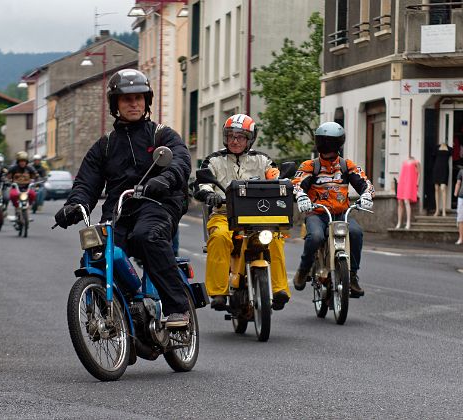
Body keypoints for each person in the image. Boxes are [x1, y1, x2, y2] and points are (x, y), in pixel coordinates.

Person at [54, 69, 191, 329]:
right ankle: (121, 307)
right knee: (98, 251)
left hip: (158, 203)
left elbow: (181, 161)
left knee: (146, 235)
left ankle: (177, 308)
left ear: (147, 101)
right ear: (115, 104)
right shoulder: (104, 146)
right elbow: (86, 183)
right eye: (126, 99)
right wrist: (75, 205)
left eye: (139, 98)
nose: (134, 103)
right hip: (120, 210)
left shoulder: (162, 135)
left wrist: (164, 180)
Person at [194, 113, 291, 311]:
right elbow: (203, 183)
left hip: (260, 217)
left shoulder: (262, 160)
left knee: (275, 238)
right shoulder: (213, 160)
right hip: (223, 215)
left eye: (240, 136)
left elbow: (276, 178)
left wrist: (287, 184)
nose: (234, 140)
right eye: (230, 136)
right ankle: (219, 292)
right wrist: (208, 194)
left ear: (250, 139)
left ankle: (279, 289)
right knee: (219, 237)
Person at [292, 121, 375, 298]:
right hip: (317, 214)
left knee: (356, 233)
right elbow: (297, 184)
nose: (327, 147)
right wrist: (301, 197)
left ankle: (352, 276)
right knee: (315, 237)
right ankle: (304, 268)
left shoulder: (347, 165)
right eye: (324, 142)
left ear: (338, 144)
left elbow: (364, 182)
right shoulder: (309, 166)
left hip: (342, 214)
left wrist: (367, 195)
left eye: (331, 142)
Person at [395, 156, 420, 230]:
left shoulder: (416, 162)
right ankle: (399, 222)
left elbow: (419, 173)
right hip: (402, 182)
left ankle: (408, 222)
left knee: (406, 201)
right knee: (400, 202)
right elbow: (401, 172)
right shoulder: (404, 162)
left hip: (409, 183)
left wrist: (417, 184)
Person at [432, 143, 452, 217]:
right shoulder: (436, 147)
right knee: (436, 189)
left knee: (443, 188)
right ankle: (437, 210)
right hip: (436, 169)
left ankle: (443, 210)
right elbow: (433, 158)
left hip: (444, 170)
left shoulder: (450, 149)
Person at [454, 167, 463, 245]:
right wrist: (455, 193)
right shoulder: (461, 171)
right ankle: (461, 238)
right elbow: (458, 183)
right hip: (461, 197)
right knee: (460, 218)